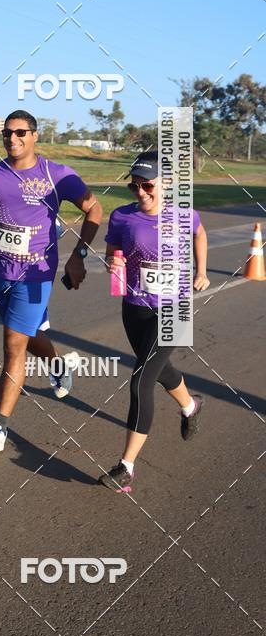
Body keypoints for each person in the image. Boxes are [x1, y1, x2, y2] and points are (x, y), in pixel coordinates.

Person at [0, 110, 102, 452]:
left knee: (13, 345)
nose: (13, 138)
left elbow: (94, 209)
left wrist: (78, 255)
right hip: (2, 272)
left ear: (35, 136)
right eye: (7, 133)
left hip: (37, 274)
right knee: (27, 335)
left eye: (21, 132)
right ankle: (58, 366)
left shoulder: (57, 175)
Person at [99, 150, 210, 492]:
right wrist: (113, 264)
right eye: (134, 187)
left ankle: (126, 467)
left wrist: (201, 271)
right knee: (160, 371)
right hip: (135, 306)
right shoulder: (121, 217)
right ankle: (191, 405)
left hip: (174, 309)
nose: (141, 193)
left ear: (168, 184)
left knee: (140, 382)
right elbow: (113, 252)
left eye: (148, 185)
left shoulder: (183, 215)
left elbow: (200, 234)